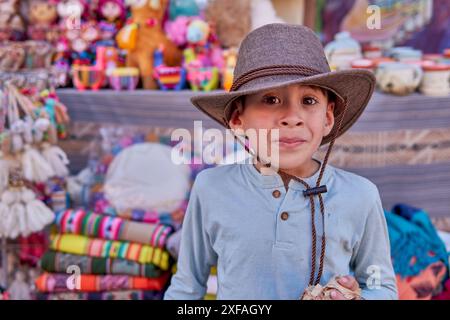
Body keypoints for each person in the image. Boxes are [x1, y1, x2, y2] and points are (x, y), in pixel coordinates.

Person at [164, 23, 398, 300]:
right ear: (238, 119)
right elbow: (186, 288)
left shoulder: (361, 196)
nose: (292, 116)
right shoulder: (211, 188)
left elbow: (381, 286)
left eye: (309, 100)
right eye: (271, 98)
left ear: (328, 117)